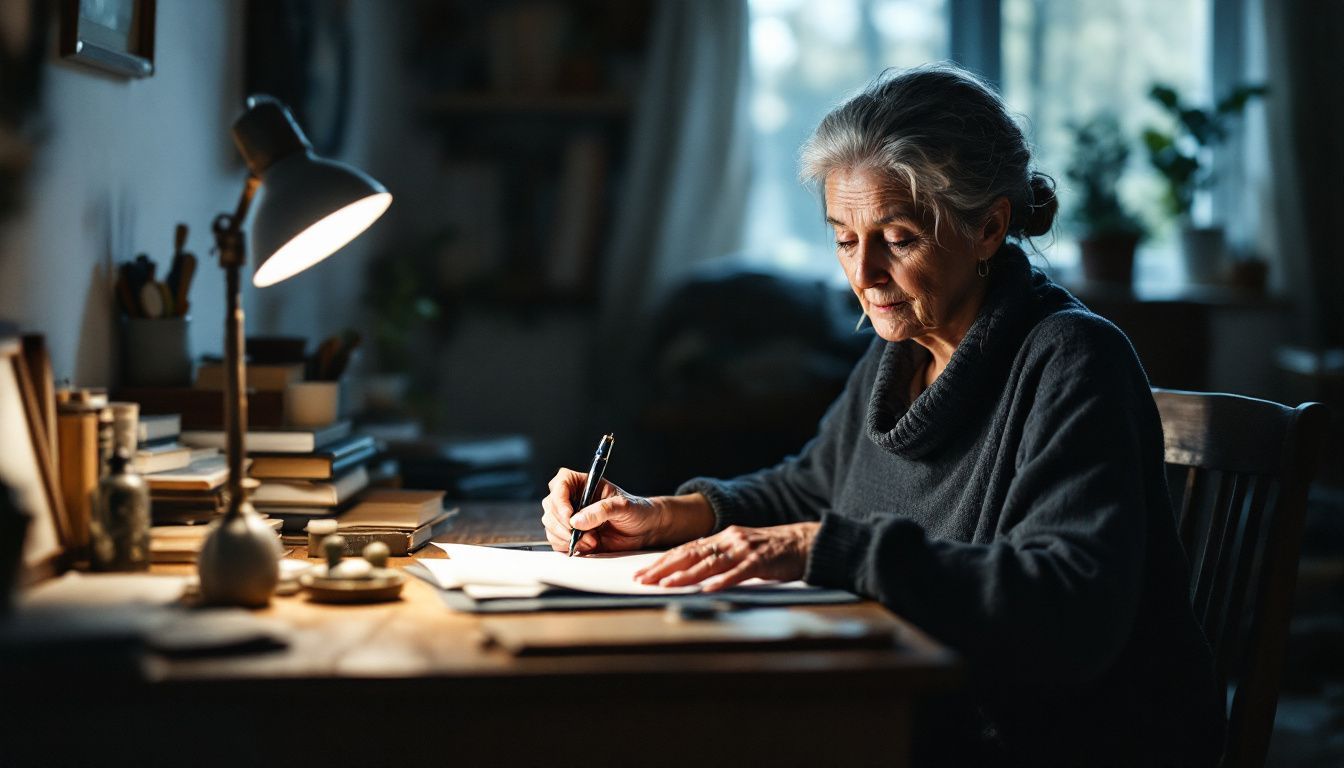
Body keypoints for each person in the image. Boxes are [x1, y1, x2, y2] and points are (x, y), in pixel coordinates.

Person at [540, 64, 1225, 765]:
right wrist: (663, 515)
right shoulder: (899, 354)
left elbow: (1067, 605)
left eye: (897, 239)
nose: (863, 275)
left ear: (988, 227)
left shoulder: (1074, 359)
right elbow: (808, 490)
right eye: (844, 239)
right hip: (919, 717)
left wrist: (824, 549)